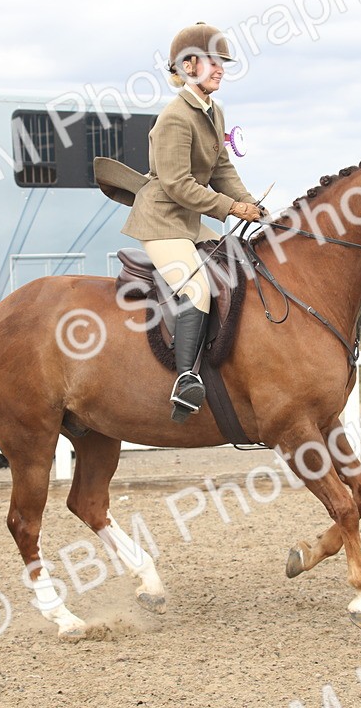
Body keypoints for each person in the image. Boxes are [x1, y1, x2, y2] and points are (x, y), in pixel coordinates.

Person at [120, 22, 263, 421]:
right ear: (188, 66)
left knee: (238, 266)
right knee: (198, 288)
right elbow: (179, 185)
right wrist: (231, 210)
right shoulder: (174, 119)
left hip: (188, 219)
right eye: (214, 62)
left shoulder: (213, 111)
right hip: (162, 220)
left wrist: (252, 203)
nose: (221, 69)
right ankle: (185, 379)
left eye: (222, 62)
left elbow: (222, 168)